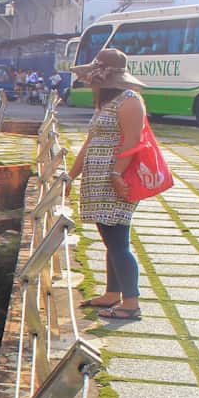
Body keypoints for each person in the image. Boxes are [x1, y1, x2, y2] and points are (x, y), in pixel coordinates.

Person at [69, 48, 147, 320]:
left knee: (118, 241)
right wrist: (71, 175)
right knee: (109, 240)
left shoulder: (130, 101)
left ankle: (131, 303)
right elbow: (90, 142)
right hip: (98, 180)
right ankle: (113, 293)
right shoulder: (106, 103)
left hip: (116, 180)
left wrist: (116, 175)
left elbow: (132, 142)